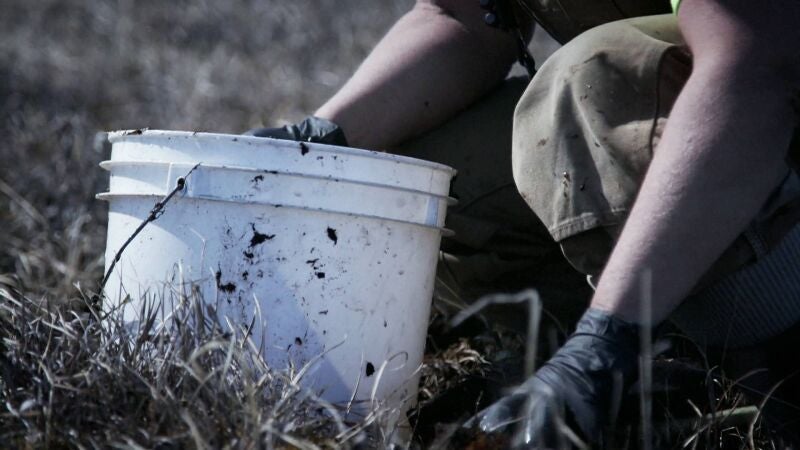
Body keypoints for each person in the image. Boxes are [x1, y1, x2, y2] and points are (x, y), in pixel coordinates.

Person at [248, 0, 800, 445]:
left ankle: (759, 375)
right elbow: (462, 18)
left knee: (590, 81)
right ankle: (647, 363)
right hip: (708, 135)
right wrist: (317, 144)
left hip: (766, 140)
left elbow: (754, 61)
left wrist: (606, 340)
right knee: (423, 171)